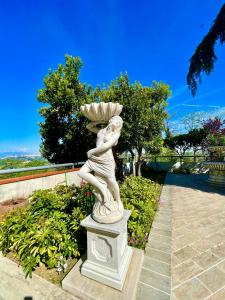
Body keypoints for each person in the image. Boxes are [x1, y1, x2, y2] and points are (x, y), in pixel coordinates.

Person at [78, 116, 123, 209]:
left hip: (106, 160)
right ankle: (102, 187)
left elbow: (106, 146)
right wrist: (98, 120)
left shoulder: (116, 133)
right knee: (81, 172)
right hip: (96, 158)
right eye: (116, 120)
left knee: (112, 181)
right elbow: (89, 126)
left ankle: (119, 201)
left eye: (119, 122)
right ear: (110, 119)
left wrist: (92, 151)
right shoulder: (101, 131)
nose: (117, 122)